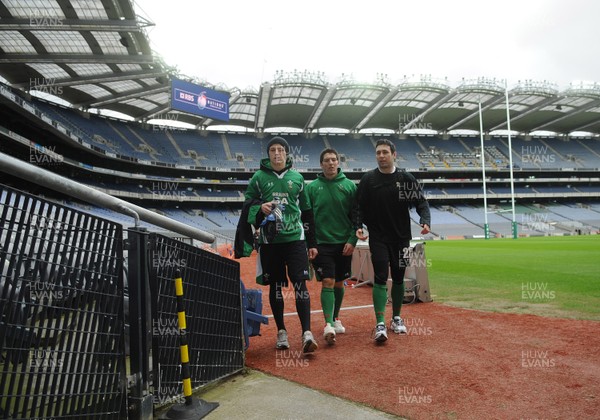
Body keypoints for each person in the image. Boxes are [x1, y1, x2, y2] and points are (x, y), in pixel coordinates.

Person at [243, 136, 319, 353]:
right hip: (270, 241)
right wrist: (261, 208)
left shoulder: (297, 178)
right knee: (276, 287)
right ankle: (282, 332)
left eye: (280, 150)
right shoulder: (258, 178)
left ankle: (306, 333)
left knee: (300, 285)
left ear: (287, 154)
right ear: (268, 154)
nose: (277, 153)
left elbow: (306, 212)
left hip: (295, 239)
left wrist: (311, 242)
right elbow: (248, 205)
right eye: (273, 150)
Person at [355, 139, 431, 343]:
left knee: (398, 277)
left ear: (394, 154)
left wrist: (425, 222)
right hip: (378, 237)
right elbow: (359, 206)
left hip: (401, 237)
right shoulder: (368, 179)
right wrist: (359, 226)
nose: (381, 156)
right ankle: (380, 323)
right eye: (378, 152)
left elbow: (421, 203)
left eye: (385, 152)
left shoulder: (406, 178)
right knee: (380, 276)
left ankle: (396, 318)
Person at [306, 149, 357, 345]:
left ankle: (335, 318)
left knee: (338, 283)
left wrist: (352, 240)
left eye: (334, 159)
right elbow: (307, 218)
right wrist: (310, 244)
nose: (331, 163)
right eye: (326, 160)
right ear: (321, 164)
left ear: (338, 162)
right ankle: (327, 323)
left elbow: (356, 216)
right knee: (327, 280)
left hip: (344, 244)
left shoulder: (349, 186)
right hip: (321, 245)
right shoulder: (312, 188)